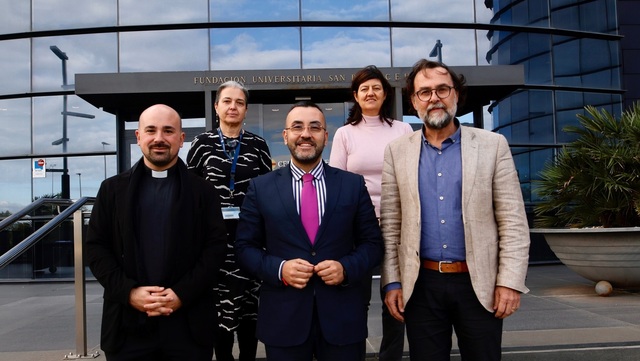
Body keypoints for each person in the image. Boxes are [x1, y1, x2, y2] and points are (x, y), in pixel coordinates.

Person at [380, 59, 530, 361]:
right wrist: (392, 281)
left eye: (442, 89)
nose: (434, 98)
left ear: (456, 95)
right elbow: (391, 225)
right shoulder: (397, 151)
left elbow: (513, 222)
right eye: (424, 92)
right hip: (421, 285)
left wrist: (510, 282)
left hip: (479, 285)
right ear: (413, 100)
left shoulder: (493, 145)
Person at [235, 101, 384, 361]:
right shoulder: (261, 188)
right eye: (297, 127)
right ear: (285, 136)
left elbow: (372, 244)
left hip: (343, 321)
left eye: (315, 127)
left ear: (326, 136)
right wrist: (280, 269)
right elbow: (244, 248)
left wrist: (346, 268)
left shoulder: (352, 184)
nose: (306, 134)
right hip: (283, 321)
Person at [85, 104, 227, 361]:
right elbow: (96, 249)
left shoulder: (203, 192)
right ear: (139, 137)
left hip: (189, 325)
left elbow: (215, 249)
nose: (159, 138)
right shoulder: (111, 190)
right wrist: (129, 293)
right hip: (127, 328)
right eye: (151, 130)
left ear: (181, 139)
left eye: (168, 131)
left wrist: (181, 294)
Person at [329, 65, 412, 361]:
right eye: (364, 88)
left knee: (396, 295)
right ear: (356, 96)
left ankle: (391, 356)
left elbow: (410, 176)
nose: (370, 93)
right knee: (356, 297)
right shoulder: (345, 134)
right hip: (358, 227)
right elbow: (336, 183)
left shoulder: (402, 130)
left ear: (385, 93)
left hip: (397, 224)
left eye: (376, 87)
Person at [186, 81, 271, 361]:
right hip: (214, 244)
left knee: (250, 312)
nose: (233, 106)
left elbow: (268, 194)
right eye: (227, 101)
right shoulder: (201, 144)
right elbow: (190, 194)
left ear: (246, 109)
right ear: (217, 107)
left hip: (250, 241)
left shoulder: (258, 145)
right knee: (219, 314)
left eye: (239, 102)